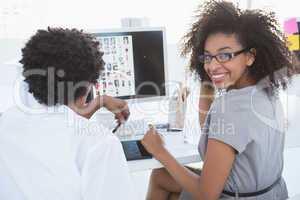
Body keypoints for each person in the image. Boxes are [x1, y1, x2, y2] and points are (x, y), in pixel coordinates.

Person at [141, 1, 297, 199]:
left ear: (250, 56)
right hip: (270, 193)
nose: (213, 65)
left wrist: (159, 151)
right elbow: (214, 134)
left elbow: (207, 195)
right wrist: (212, 76)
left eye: (225, 55)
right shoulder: (265, 89)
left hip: (236, 196)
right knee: (161, 177)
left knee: (160, 175)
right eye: (207, 57)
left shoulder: (230, 108)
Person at [0, 28, 135, 200]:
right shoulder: (100, 143)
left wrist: (98, 102)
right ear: (88, 86)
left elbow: (57, 127)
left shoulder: (7, 122)